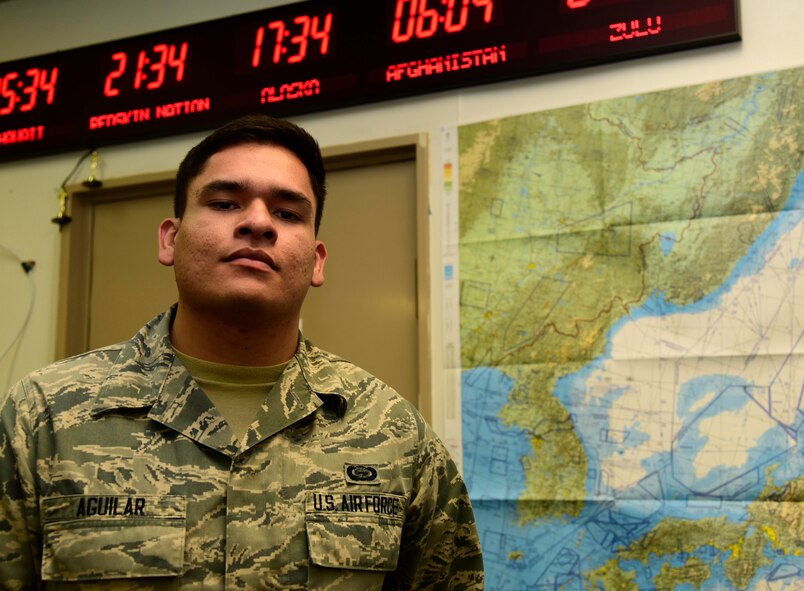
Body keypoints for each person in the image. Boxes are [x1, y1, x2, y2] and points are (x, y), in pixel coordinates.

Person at [0, 114, 484, 590]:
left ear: (317, 261)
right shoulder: (44, 416)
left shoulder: (392, 433)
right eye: (226, 202)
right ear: (170, 238)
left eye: (288, 213)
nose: (258, 222)